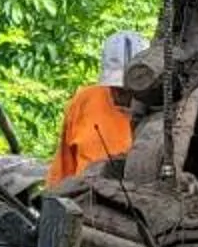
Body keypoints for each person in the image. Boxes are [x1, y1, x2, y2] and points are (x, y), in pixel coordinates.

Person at [48, 30, 147, 187]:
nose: (120, 93)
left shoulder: (156, 113)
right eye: (116, 86)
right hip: (83, 199)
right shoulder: (85, 100)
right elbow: (63, 168)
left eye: (128, 88)